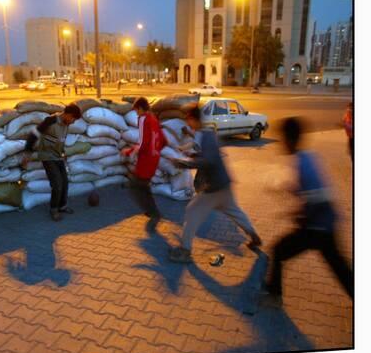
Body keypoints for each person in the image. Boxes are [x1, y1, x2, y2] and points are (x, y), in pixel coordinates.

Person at [262, 117, 353, 305]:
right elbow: (313, 191)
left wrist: (300, 216)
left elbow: (318, 198)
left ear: (290, 139)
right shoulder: (307, 157)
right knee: (339, 267)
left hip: (318, 227)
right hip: (325, 225)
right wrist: (288, 189)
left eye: (282, 138)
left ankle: (274, 296)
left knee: (278, 250)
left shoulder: (303, 163)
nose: (281, 143)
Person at [167, 106, 262, 263]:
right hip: (224, 183)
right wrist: (189, 155)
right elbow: (202, 153)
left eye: (189, 120)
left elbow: (208, 161)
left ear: (194, 119)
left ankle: (185, 250)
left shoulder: (206, 136)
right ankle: (253, 235)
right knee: (235, 212)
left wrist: (182, 163)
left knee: (192, 211)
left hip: (214, 187)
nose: (188, 123)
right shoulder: (205, 134)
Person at [22, 104, 82, 221]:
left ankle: (62, 206)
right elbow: (34, 135)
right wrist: (27, 153)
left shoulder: (66, 124)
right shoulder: (50, 121)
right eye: (73, 119)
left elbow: (60, 141)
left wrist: (63, 154)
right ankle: (54, 209)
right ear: (68, 115)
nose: (73, 122)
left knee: (65, 182)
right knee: (57, 184)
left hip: (58, 157)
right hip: (47, 157)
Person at [121, 97, 168, 230]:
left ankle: (154, 213)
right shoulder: (153, 118)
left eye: (136, 111)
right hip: (154, 159)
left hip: (145, 160)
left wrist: (129, 152)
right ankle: (151, 211)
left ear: (141, 108)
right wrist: (156, 152)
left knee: (134, 186)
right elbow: (164, 140)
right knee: (143, 186)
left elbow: (143, 143)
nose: (136, 114)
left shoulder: (144, 119)